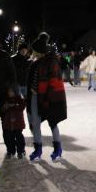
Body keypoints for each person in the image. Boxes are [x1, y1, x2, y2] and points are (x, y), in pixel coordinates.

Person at [26, 33, 67, 161]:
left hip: (49, 98)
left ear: (40, 51)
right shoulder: (34, 64)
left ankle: (58, 148)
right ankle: (38, 149)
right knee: (35, 123)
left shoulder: (52, 62)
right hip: (34, 97)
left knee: (53, 122)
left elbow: (54, 83)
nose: (33, 53)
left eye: (35, 51)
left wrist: (47, 98)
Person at [2, 87, 26, 159]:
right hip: (9, 124)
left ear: (15, 92)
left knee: (19, 137)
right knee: (10, 138)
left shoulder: (19, 99)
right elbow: (3, 110)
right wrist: (5, 107)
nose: (9, 93)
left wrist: (15, 105)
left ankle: (21, 151)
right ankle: (11, 151)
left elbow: (22, 106)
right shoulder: (6, 100)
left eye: (11, 91)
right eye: (8, 91)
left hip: (18, 123)